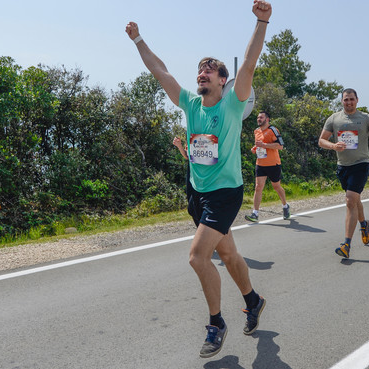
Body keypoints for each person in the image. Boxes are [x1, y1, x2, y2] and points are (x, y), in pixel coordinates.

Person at [125, 1, 271, 358]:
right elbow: (160, 72)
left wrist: (261, 21)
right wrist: (139, 39)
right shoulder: (190, 104)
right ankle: (253, 300)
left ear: (223, 79)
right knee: (229, 252)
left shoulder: (233, 103)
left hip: (225, 193)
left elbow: (249, 63)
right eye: (200, 70)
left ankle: (216, 323)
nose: (202, 73)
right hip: (197, 193)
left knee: (197, 257)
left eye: (210, 70)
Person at [318, 88, 369, 259]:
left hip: (361, 164)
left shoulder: (365, 119)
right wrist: (334, 146)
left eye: (351, 99)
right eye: (346, 99)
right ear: (341, 101)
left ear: (357, 100)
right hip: (343, 166)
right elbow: (321, 141)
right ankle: (364, 224)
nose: (349, 102)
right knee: (355, 200)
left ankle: (346, 245)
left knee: (350, 200)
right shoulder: (334, 118)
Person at [245, 111, 290, 222]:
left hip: (273, 164)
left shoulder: (273, 130)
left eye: (261, 117)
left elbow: (280, 146)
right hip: (260, 164)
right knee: (258, 187)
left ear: (267, 119)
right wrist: (254, 149)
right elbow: (258, 144)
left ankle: (285, 206)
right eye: (258, 117)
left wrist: (264, 145)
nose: (259, 119)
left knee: (276, 187)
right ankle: (255, 214)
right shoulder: (256, 131)